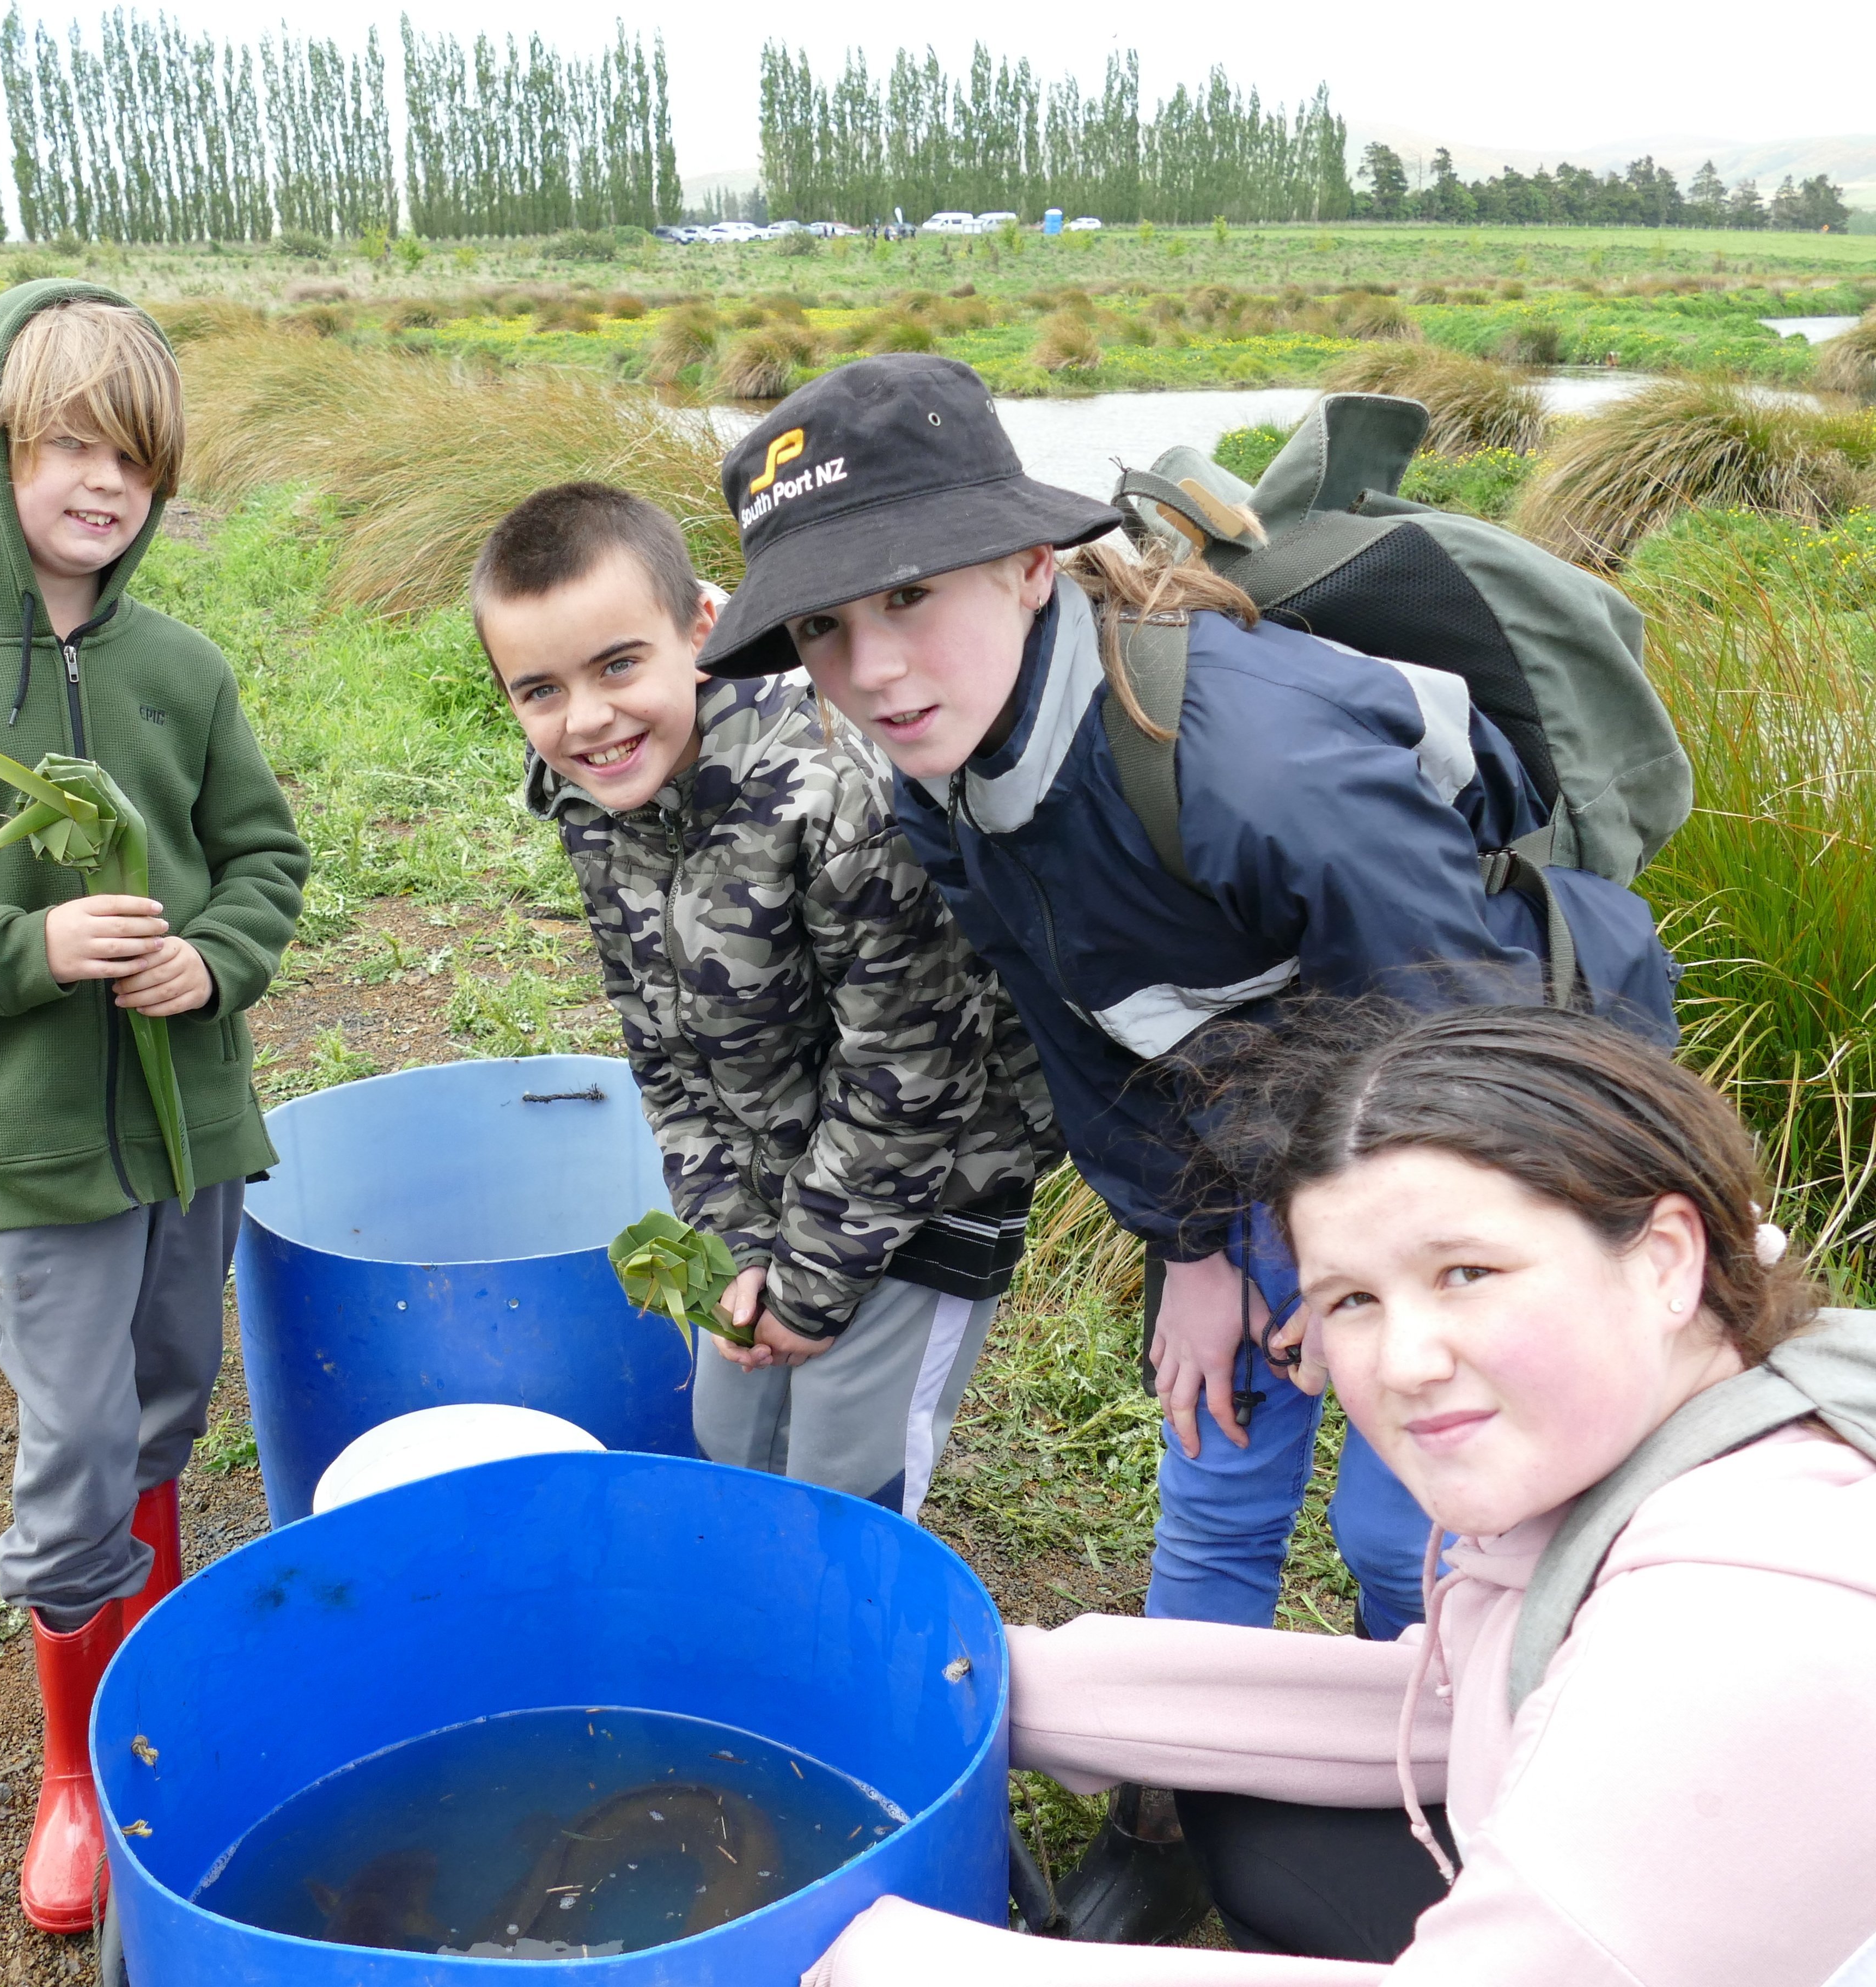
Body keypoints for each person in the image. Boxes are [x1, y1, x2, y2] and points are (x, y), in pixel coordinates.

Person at [695, 353, 1679, 1939]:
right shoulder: (942, 759)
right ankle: (1167, 1810)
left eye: (908, 598)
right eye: (823, 626)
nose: (872, 669)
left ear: (1031, 563)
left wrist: (1369, 1289)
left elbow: (1474, 1057)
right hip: (1267, 1123)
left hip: (1494, 1131)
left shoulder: (1256, 766)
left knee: (1405, 1509)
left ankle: (1426, 1774)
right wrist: (1198, 1249)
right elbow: (1082, 1025)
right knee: (1216, 1455)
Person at [806, 1000, 1876, 1982]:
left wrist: (875, 1956)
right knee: (1263, 1824)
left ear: (1663, 1260)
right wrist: (1004, 1684)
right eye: (1351, 1299)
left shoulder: (1743, 1628)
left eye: (1466, 1273)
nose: (1404, 1360)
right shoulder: (1721, 1414)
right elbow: (1461, 1695)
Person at [0, 283, 309, 1935]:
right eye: (71, 448)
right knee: (75, 1443)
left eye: (138, 463)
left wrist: (215, 964)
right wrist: (26, 947)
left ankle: (151, 1725)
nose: (105, 486)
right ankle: (76, 1773)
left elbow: (266, 861)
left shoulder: (182, 667)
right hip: (36, 1151)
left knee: (168, 1400)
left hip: (195, 1131)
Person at [471, 481, 1054, 1514]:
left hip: (937, 1185)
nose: (590, 719)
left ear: (705, 626)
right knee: (729, 1440)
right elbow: (658, 1047)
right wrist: (734, 1240)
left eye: (619, 665)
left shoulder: (842, 794)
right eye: (540, 690)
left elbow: (910, 1075)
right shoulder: (597, 797)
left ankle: (858, 1652)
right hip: (768, 1181)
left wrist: (812, 1284)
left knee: (845, 1485)